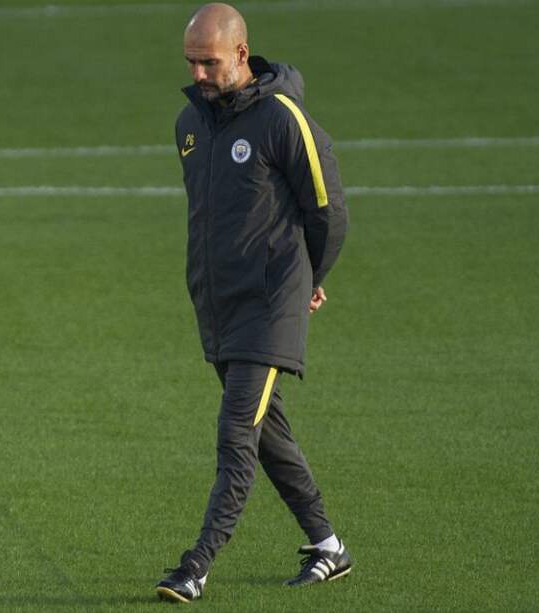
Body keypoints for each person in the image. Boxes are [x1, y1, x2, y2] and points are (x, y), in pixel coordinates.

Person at [156, 2, 351, 603]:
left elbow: (329, 210)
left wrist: (309, 277)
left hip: (271, 305)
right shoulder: (190, 126)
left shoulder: (281, 119)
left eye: (209, 63)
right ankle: (327, 545)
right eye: (191, 63)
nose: (199, 75)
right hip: (217, 306)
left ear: (241, 54)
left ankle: (197, 564)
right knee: (269, 436)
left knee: (237, 433)